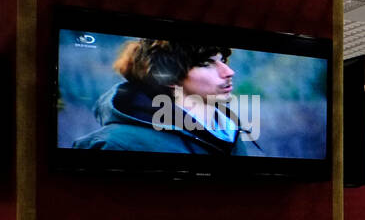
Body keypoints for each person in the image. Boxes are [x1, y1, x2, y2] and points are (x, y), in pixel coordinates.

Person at [73, 39, 263, 155]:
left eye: (223, 61)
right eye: (207, 63)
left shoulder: (229, 133)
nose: (229, 71)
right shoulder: (114, 143)